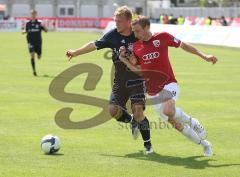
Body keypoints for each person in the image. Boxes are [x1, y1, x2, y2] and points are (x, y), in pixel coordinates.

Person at [119, 16, 218, 157]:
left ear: (147, 27)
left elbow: (183, 45)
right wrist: (125, 60)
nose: (136, 34)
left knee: (168, 110)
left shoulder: (163, 37)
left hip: (169, 83)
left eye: (138, 31)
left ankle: (193, 122)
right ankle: (205, 145)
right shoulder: (136, 46)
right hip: (152, 93)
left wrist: (204, 56)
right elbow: (140, 71)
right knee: (175, 123)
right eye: (134, 31)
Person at [66, 6, 153, 154]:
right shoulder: (112, 35)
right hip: (119, 81)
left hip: (137, 79)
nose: (116, 23)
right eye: (115, 21)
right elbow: (94, 44)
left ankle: (148, 145)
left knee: (138, 111)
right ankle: (132, 121)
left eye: (119, 21)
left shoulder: (136, 33)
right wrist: (76, 52)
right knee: (113, 111)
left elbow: (150, 43)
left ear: (128, 21)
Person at [22, 9, 48, 76]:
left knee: (39, 56)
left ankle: (38, 54)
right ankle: (34, 71)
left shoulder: (39, 23)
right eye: (32, 14)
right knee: (32, 54)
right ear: (30, 15)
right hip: (30, 42)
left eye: (34, 14)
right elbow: (26, 30)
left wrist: (44, 26)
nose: (33, 15)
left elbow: (46, 31)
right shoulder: (28, 23)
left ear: (36, 15)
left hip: (38, 42)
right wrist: (24, 31)